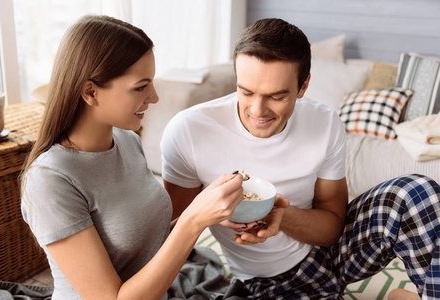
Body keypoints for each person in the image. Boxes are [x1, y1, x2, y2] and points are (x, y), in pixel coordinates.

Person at [161, 18, 440, 299]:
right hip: (267, 281)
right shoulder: (189, 130)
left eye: (277, 96)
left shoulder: (325, 122)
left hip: (334, 251)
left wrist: (281, 216)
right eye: (246, 92)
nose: (258, 111)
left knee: (417, 193)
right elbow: (171, 231)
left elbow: (333, 228)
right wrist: (210, 212)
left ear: (303, 86)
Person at [20, 15, 245, 300]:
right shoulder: (50, 181)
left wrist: (210, 213)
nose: (154, 97)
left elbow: (150, 244)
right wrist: (194, 221)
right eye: (141, 87)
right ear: (90, 91)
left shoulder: (127, 141)